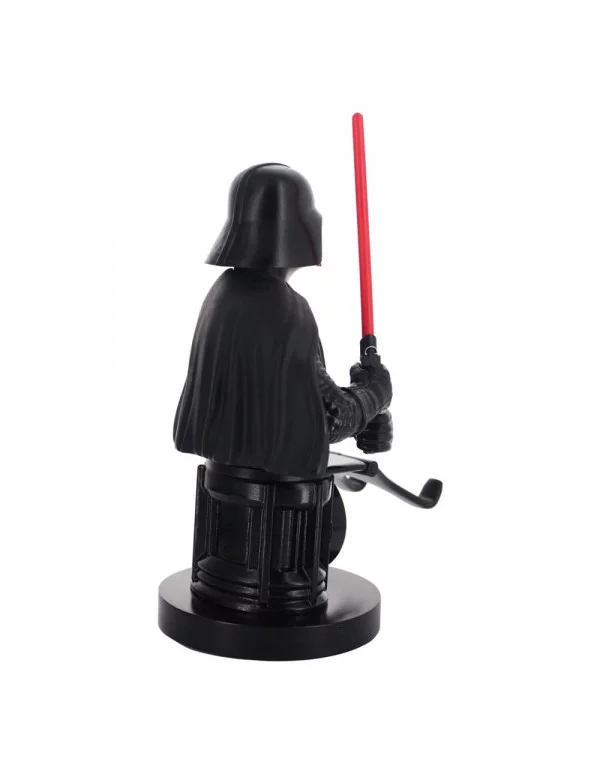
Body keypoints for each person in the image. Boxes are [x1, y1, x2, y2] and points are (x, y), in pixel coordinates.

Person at [174, 163, 393, 480]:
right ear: (298, 228)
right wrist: (374, 393)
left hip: (225, 490)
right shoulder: (282, 310)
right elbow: (331, 417)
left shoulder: (224, 295)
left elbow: (286, 407)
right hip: (279, 502)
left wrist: (365, 415)